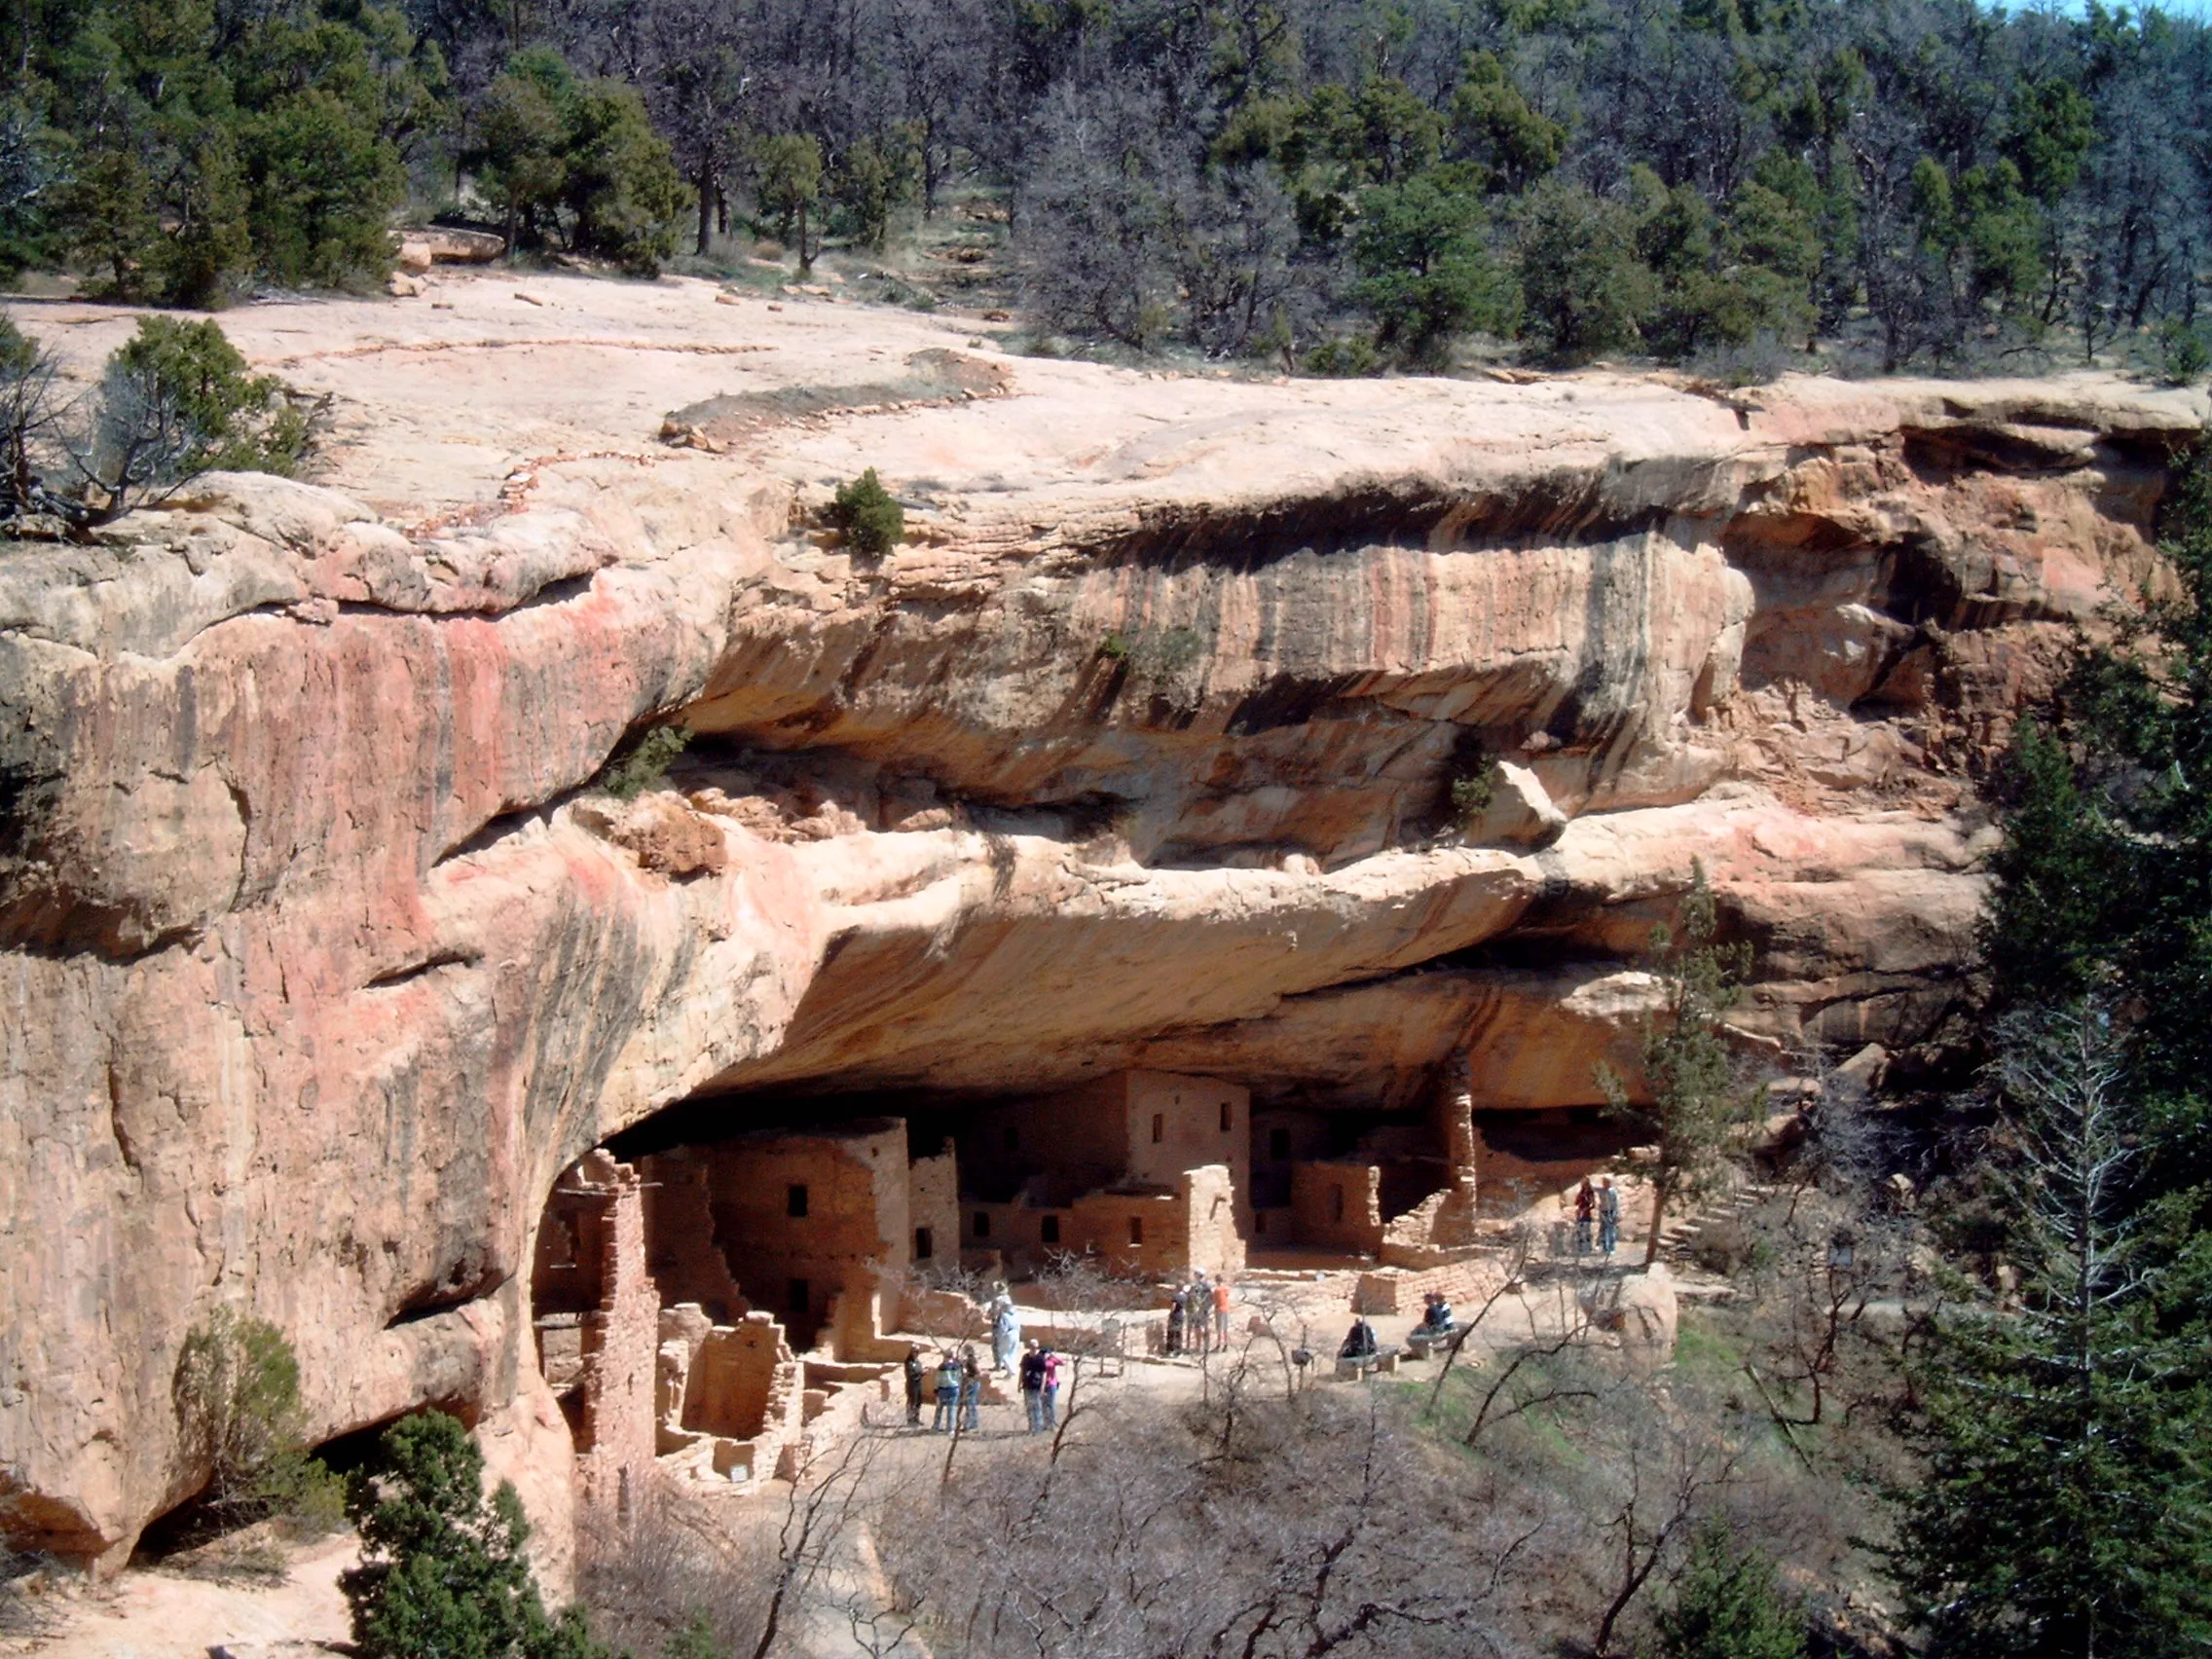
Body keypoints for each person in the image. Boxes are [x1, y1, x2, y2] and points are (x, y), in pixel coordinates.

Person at [1018, 1339, 1048, 1433]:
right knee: (1029, 1407)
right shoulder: (1025, 1358)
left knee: (1037, 1406)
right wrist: (1019, 1383)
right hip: (1027, 1385)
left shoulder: (1040, 1358)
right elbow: (1022, 1371)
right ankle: (1031, 1427)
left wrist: (1042, 1386)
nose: (1034, 1349)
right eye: (1033, 1347)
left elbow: (1044, 1373)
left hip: (1036, 1386)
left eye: (1036, 1347)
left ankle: (1038, 1428)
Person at [990, 1290, 1022, 1375]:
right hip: (1016, 1332)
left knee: (1000, 1351)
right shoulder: (1013, 1308)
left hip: (1006, 1332)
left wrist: (999, 1336)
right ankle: (1009, 1368)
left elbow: (1002, 1327)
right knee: (1012, 1351)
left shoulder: (998, 1302)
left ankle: (1000, 1366)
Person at [933, 1350, 963, 1433]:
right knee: (951, 1409)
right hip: (954, 1388)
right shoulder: (957, 1366)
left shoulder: (942, 1367)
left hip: (943, 1389)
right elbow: (959, 1378)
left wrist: (936, 1389)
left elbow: (938, 1379)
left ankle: (936, 1426)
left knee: (939, 1408)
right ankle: (950, 1428)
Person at [1040, 1345, 1065, 1427]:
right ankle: (1045, 1423)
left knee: (1051, 1404)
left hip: (1051, 1384)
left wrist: (1053, 1355)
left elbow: (1063, 1362)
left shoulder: (1052, 1360)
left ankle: (1052, 1422)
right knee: (1043, 1404)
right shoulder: (1040, 1360)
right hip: (1042, 1384)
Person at [959, 1346, 982, 1432]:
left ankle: (969, 1425)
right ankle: (973, 1423)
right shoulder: (972, 1360)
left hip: (972, 1383)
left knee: (970, 1404)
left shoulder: (970, 1361)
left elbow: (977, 1372)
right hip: (974, 1383)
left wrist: (970, 1379)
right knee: (971, 1404)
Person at [903, 1345, 925, 1427]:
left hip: (918, 1384)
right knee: (912, 1402)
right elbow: (911, 1374)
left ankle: (916, 1418)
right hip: (912, 1384)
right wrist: (921, 1373)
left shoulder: (917, 1362)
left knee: (919, 1401)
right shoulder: (909, 1362)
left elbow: (919, 1371)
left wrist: (923, 1372)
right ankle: (910, 1419)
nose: (916, 1353)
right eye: (915, 1351)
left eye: (917, 1352)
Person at [1598, 1176, 1620, 1259]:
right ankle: (1605, 1248)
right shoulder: (1601, 1190)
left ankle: (1611, 1248)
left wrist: (1616, 1213)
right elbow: (1593, 1187)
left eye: (1606, 1182)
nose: (1604, 1184)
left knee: (1611, 1230)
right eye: (1603, 1182)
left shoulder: (1613, 1191)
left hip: (1611, 1211)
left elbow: (1616, 1202)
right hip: (1604, 1211)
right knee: (1603, 1229)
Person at [1573, 1178, 1596, 1259]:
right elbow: (1576, 1202)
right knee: (1579, 1231)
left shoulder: (1590, 1193)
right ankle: (1580, 1249)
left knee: (1586, 1232)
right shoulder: (1582, 1192)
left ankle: (1587, 1250)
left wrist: (1586, 1208)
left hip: (1586, 1214)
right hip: (1580, 1213)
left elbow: (1592, 1204)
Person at [1212, 1275, 1232, 1348]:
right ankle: (1226, 1344)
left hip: (1219, 1309)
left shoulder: (1216, 1290)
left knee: (1219, 1328)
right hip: (1226, 1308)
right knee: (1225, 1327)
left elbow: (1214, 1301)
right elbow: (1227, 1295)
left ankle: (1219, 1344)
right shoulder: (1226, 1288)